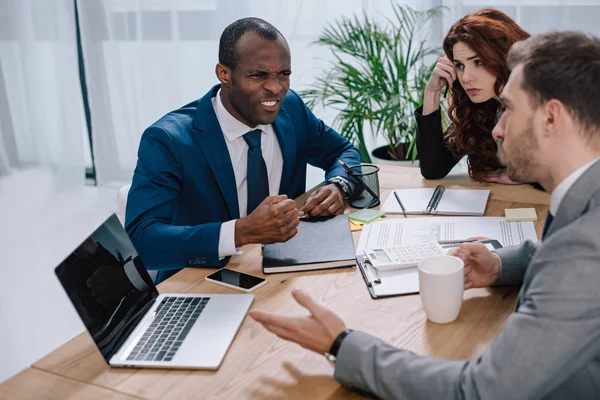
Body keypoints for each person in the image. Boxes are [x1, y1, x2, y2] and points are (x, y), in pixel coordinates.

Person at [250, 31, 600, 399]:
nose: (497, 127)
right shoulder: (584, 202)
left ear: (551, 118)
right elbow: (562, 260)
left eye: (510, 108)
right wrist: (499, 264)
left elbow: (479, 391)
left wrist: (341, 343)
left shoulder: (584, 248)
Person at [125, 18, 360, 283]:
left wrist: (339, 186)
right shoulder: (169, 140)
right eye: (258, 75)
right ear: (224, 74)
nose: (275, 88)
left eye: (283, 73)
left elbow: (343, 152)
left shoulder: (290, 109)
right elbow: (142, 241)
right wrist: (240, 232)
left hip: (283, 275)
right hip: (201, 283)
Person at [416, 9, 530, 183]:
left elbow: (576, 169)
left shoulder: (544, 100)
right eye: (460, 66)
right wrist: (431, 92)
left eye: (478, 62)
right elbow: (433, 168)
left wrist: (529, 176)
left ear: (503, 57)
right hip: (502, 203)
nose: (466, 78)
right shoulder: (480, 108)